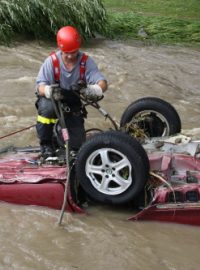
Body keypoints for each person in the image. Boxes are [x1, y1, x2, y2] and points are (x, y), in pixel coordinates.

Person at [35, 25, 107, 159]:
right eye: (66, 52)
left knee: (77, 145)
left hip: (73, 102)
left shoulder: (86, 62)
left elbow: (102, 82)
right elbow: (40, 86)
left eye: (73, 52)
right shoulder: (51, 62)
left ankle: (63, 140)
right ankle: (46, 144)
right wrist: (48, 90)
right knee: (47, 109)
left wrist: (94, 90)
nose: (69, 56)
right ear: (60, 48)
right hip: (53, 100)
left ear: (78, 48)